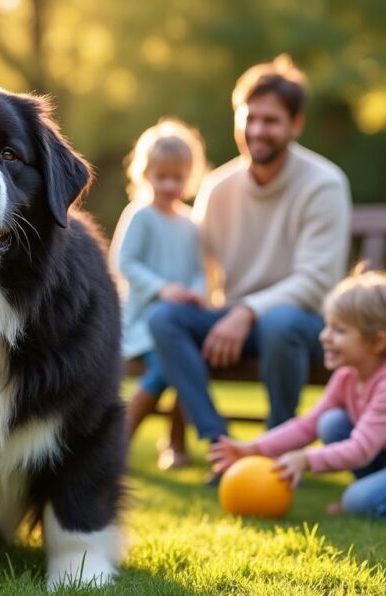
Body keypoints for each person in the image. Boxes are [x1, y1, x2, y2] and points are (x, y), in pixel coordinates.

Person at [147, 55, 352, 471]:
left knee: (281, 323)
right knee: (164, 318)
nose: (257, 130)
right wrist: (194, 298)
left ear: (296, 125)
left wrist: (244, 310)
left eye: (271, 121)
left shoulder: (324, 184)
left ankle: (274, 450)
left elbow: (317, 280)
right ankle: (221, 446)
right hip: (234, 323)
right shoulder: (218, 187)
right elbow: (198, 262)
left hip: (304, 326)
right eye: (249, 118)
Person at [208, 267, 386, 519]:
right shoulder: (347, 374)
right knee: (331, 422)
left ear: (378, 340)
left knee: (357, 502)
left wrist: (306, 459)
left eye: (339, 330)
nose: (324, 337)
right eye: (327, 326)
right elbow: (309, 424)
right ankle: (381, 492)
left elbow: (361, 449)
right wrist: (254, 448)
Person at [110, 118, 208, 470]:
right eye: (161, 176)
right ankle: (119, 441)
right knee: (166, 369)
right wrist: (163, 288)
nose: (169, 185)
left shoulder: (189, 222)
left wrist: (196, 292)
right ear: (145, 174)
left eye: (178, 178)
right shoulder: (141, 215)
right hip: (142, 322)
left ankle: (176, 443)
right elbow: (126, 263)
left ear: (190, 178)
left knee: (183, 362)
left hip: (178, 322)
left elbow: (198, 270)